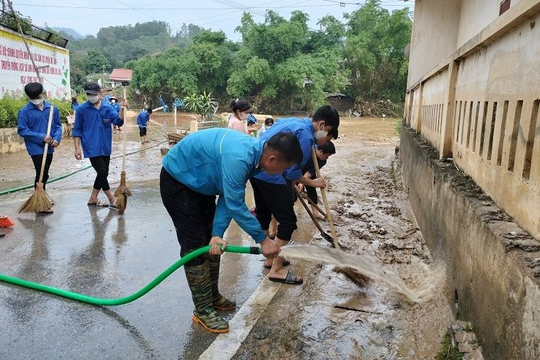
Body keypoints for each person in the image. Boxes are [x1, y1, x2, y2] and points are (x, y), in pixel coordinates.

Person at [160, 128, 302, 333]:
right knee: (194, 246)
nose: (283, 174)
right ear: (272, 159)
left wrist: (217, 232)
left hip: (200, 183)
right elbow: (236, 204)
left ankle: (212, 295)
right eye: (284, 168)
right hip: (179, 180)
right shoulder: (240, 158)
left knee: (212, 242)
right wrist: (263, 240)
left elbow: (229, 197)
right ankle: (202, 309)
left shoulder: (255, 157)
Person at [250, 105, 340, 284]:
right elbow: (291, 173)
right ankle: (276, 269)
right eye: (328, 131)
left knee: (264, 213)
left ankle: (270, 258)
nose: (326, 136)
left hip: (256, 171)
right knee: (288, 221)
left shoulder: (292, 121)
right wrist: (314, 183)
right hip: (272, 176)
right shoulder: (306, 136)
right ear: (322, 125)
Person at [72, 81, 127, 208]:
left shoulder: (107, 108)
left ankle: (93, 198)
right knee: (102, 172)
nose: (91, 97)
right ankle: (111, 197)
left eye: (94, 94)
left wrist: (123, 109)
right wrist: (77, 148)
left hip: (105, 146)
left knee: (104, 173)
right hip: (91, 146)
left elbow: (118, 122)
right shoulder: (81, 109)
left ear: (100, 93)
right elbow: (77, 130)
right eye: (88, 94)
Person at [17, 82, 62, 214]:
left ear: (42, 93)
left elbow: (58, 126)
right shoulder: (24, 111)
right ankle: (40, 203)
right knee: (40, 173)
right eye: (34, 97)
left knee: (45, 172)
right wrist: (41, 137)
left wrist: (56, 139)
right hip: (35, 148)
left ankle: (42, 195)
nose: (37, 98)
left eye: (38, 95)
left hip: (50, 147)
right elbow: (23, 130)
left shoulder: (52, 109)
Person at [296, 141, 336, 220]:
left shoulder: (322, 161)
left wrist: (303, 183)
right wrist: (300, 182)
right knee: (294, 192)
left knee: (312, 189)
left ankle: (315, 212)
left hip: (309, 173)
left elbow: (310, 172)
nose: (327, 158)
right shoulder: (307, 151)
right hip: (297, 171)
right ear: (320, 151)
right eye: (327, 155)